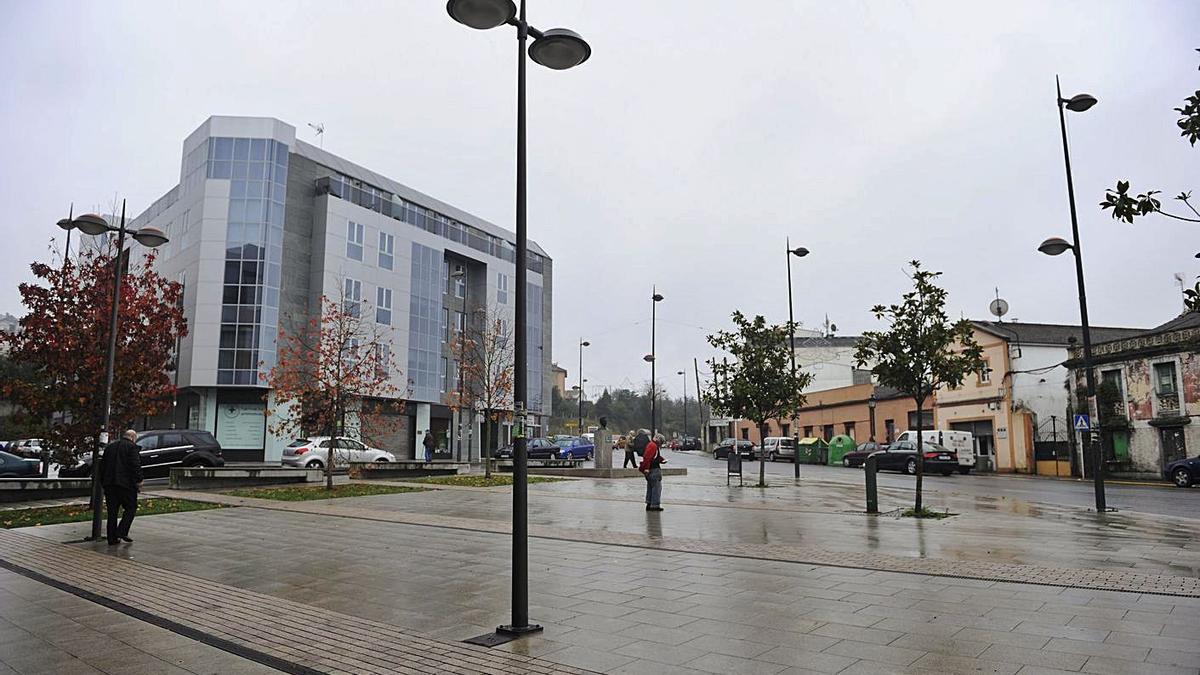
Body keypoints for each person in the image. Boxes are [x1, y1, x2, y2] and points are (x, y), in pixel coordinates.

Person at [100, 429, 143, 545]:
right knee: (131, 508)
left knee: (112, 512)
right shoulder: (132, 447)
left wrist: (103, 482)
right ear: (133, 438)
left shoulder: (110, 447)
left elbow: (102, 466)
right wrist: (139, 480)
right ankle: (121, 531)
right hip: (126, 485)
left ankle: (111, 538)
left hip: (110, 485)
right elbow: (135, 465)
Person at [639, 433, 667, 511]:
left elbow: (654, 456)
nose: (661, 444)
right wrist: (647, 468)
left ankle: (649, 503)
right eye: (661, 442)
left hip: (651, 470)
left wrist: (662, 460)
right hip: (654, 470)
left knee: (650, 487)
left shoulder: (652, 445)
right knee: (656, 488)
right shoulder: (653, 446)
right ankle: (655, 505)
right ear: (659, 440)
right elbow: (647, 458)